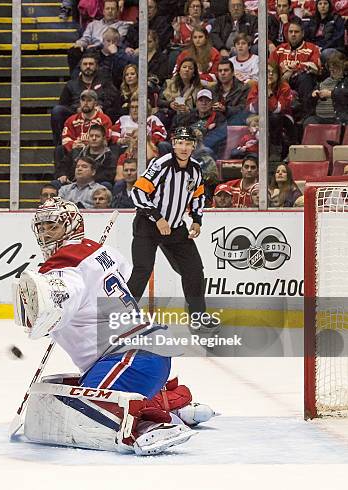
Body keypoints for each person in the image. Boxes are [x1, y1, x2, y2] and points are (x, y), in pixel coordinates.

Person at [13, 197, 215, 455]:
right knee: (73, 391)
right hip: (143, 355)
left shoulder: (62, 268)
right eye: (41, 228)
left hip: (129, 358)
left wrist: (48, 313)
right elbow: (124, 273)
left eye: (52, 227)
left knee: (81, 410)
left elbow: (55, 305)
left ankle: (150, 425)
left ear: (72, 225)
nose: (44, 234)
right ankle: (172, 403)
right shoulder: (100, 251)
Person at [127, 126, 208, 325]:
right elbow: (138, 192)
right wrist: (157, 217)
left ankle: (197, 314)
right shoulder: (161, 164)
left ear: (193, 146)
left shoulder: (196, 169)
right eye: (180, 143)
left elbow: (198, 195)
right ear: (173, 144)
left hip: (175, 228)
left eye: (188, 143)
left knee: (194, 270)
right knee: (142, 270)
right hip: (148, 224)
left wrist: (197, 220)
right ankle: (124, 314)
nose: (184, 147)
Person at [51, 54, 120, 146]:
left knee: (114, 110)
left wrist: (101, 106)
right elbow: (63, 103)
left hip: (100, 113)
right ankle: (61, 146)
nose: (88, 66)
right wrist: (78, 108)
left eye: (91, 64)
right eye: (85, 64)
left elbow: (113, 97)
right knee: (57, 110)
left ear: (96, 66)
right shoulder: (71, 84)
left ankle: (107, 142)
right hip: (76, 113)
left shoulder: (105, 81)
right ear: (80, 66)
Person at [270, 19, 321, 118]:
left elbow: (315, 66)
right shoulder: (279, 49)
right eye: (290, 32)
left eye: (296, 32)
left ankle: (307, 116)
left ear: (302, 34)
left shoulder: (311, 48)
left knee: (305, 78)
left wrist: (293, 70)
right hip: (280, 81)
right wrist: (283, 74)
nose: (293, 34)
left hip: (301, 81)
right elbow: (270, 68)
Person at [68, 0, 129, 72]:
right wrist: (79, 44)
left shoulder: (123, 25)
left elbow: (117, 40)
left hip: (108, 52)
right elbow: (86, 38)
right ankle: (75, 79)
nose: (110, 11)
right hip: (91, 52)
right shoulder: (93, 24)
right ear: (103, 11)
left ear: (117, 11)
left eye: (113, 9)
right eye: (107, 8)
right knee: (74, 51)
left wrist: (97, 45)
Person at [305, 51, 346, 124]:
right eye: (331, 67)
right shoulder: (323, 83)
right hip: (320, 118)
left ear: (343, 68)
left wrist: (331, 94)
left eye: (336, 67)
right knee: (309, 122)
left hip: (338, 118)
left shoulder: (345, 82)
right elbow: (308, 103)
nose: (332, 70)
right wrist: (312, 96)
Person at [212, 57, 251, 124]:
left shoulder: (244, 88)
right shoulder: (213, 89)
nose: (222, 73)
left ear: (233, 73)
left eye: (226, 70)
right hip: (214, 123)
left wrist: (225, 109)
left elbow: (243, 109)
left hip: (234, 123)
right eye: (220, 71)